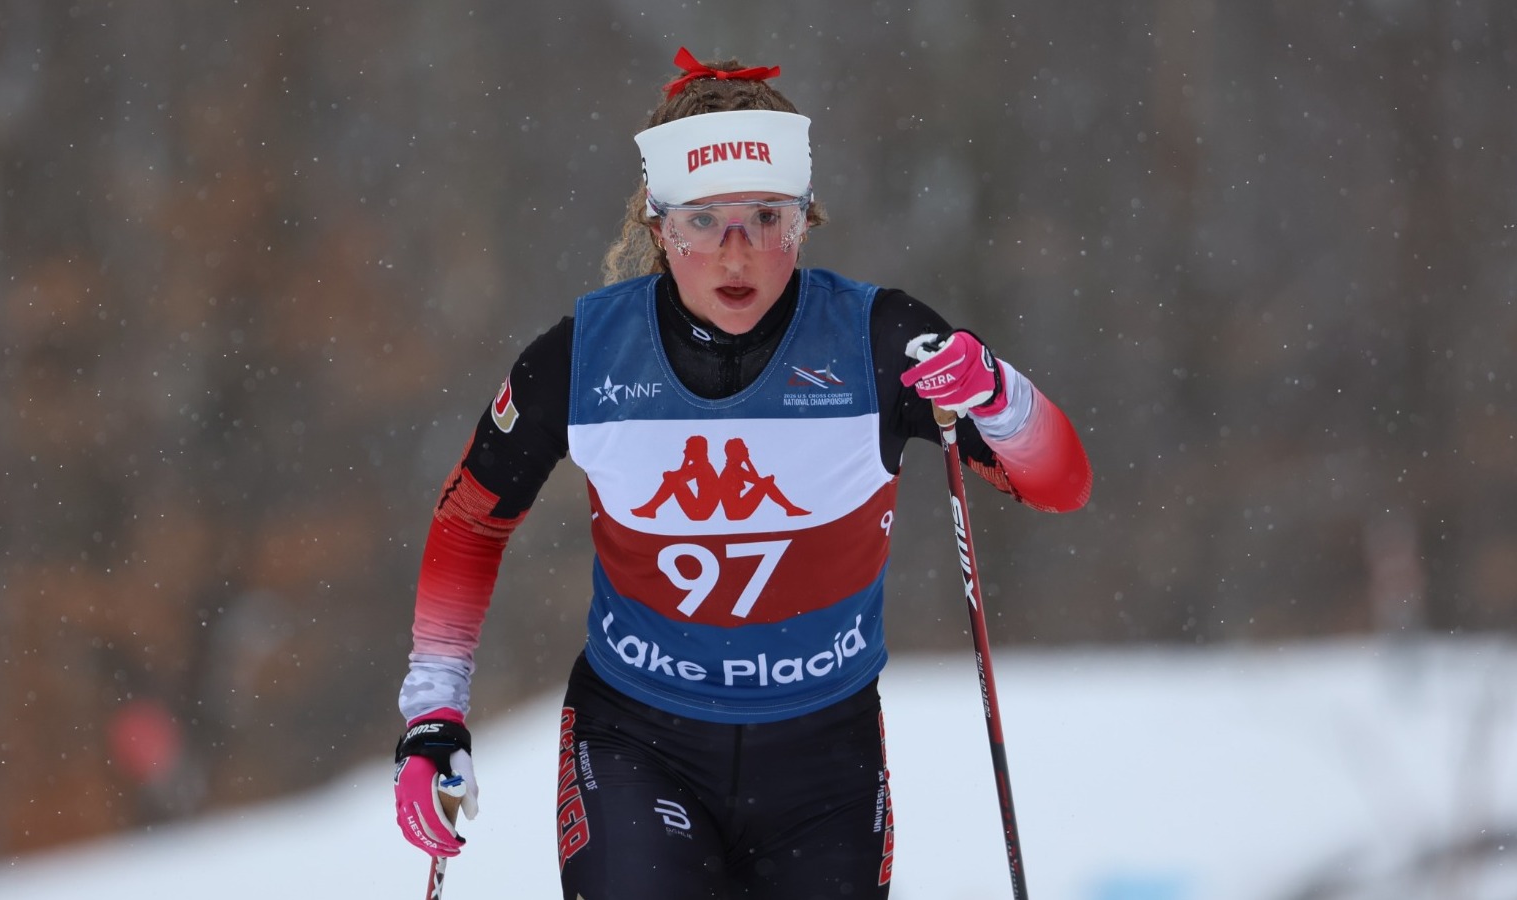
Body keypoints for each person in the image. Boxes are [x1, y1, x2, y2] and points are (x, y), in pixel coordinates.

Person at [392, 46, 1092, 899]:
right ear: (656, 222)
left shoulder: (879, 341)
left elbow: (1063, 482)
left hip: (823, 758)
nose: (738, 254)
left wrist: (1001, 397)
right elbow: (472, 517)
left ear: (806, 218)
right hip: (639, 743)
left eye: (767, 217)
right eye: (702, 221)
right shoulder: (580, 360)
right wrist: (434, 713)